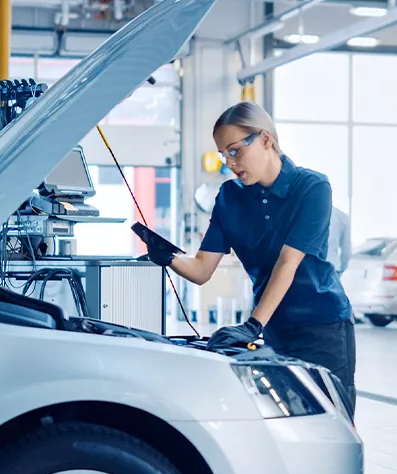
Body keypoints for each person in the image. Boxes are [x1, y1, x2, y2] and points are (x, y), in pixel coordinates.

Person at [148, 101, 357, 415]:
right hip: (273, 330)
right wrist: (167, 256)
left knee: (332, 422)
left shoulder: (312, 187)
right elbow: (202, 268)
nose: (230, 163)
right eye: (223, 155)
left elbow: (288, 262)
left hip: (323, 327)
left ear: (265, 140)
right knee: (284, 423)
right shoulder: (230, 197)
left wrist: (252, 324)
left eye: (235, 151)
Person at [328, 207, 351, 276]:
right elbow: (346, 251)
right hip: (332, 268)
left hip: (306, 270)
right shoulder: (341, 216)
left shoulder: (304, 211)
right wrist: (341, 270)